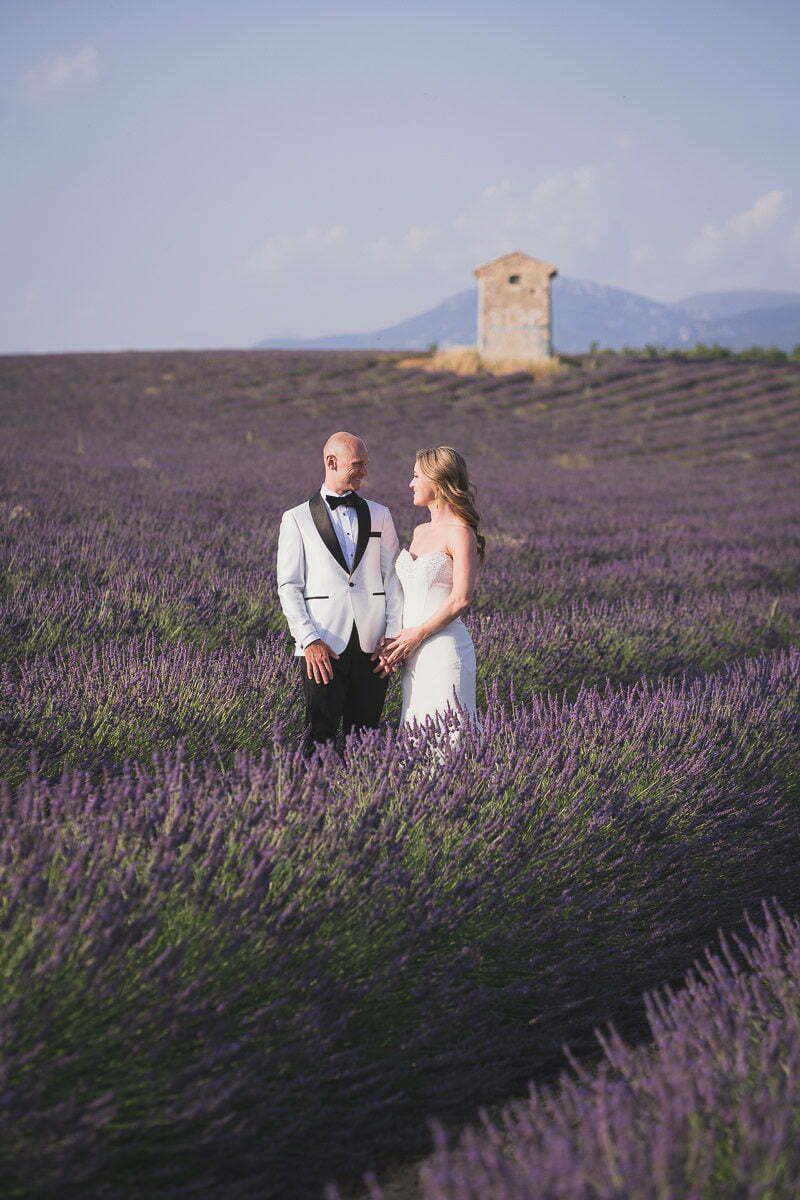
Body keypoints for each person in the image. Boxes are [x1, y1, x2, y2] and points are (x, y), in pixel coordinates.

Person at [276, 432, 403, 755]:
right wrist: (309, 640)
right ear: (331, 462)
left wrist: (393, 637)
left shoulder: (381, 514)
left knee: (366, 739)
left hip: (374, 647)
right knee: (318, 735)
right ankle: (313, 800)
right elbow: (289, 586)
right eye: (357, 465)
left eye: (366, 465)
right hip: (323, 646)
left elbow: (393, 579)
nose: (364, 472)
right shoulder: (296, 519)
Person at [381, 446, 483, 729]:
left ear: (437, 481)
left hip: (442, 649)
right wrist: (396, 641)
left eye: (416, 476)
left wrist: (418, 635)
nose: (410, 484)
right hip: (413, 653)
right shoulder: (420, 532)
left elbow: (461, 599)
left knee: (449, 734)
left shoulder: (461, 533)